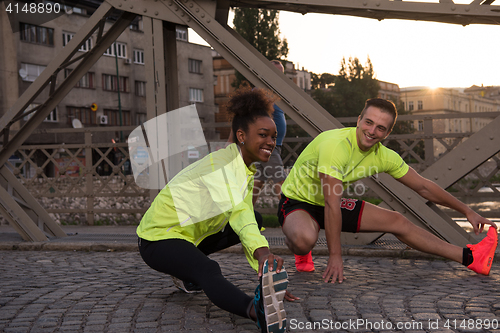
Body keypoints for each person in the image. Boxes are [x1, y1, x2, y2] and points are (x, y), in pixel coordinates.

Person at [278, 98, 498, 283]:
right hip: (297, 202)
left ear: (387, 133)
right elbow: (331, 204)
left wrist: (467, 211)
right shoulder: (336, 146)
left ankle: (470, 257)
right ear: (359, 120)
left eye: (380, 128)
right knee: (305, 238)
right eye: (369, 122)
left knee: (398, 221)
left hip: (329, 202)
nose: (372, 131)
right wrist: (335, 256)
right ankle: (302, 251)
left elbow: (423, 186)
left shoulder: (384, 156)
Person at [137, 87, 296, 333]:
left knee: (255, 216)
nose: (270, 143)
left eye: (274, 136)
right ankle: (255, 312)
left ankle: (185, 271)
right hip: (158, 238)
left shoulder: (244, 168)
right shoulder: (223, 165)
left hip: (188, 236)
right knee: (209, 270)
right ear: (241, 135)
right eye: (263, 135)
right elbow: (239, 217)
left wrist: (266, 274)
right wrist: (263, 254)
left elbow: (245, 217)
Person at [252, 60, 288, 204]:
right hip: (268, 144)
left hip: (274, 144)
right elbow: (245, 114)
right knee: (281, 181)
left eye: (281, 73)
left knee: (258, 181)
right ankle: (289, 214)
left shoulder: (279, 92)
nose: (278, 76)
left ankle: (247, 215)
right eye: (275, 72)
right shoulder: (260, 91)